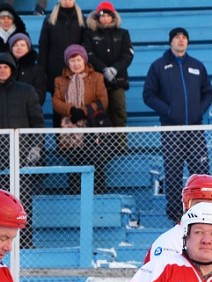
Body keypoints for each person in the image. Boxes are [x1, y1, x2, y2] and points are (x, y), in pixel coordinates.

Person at [143, 25, 212, 224]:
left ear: (188, 41)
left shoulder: (197, 66)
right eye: (177, 37)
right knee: (173, 170)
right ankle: (175, 214)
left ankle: (202, 209)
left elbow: (208, 92)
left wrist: (198, 110)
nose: (181, 40)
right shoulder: (158, 66)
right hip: (171, 129)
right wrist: (168, 111)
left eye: (184, 37)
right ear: (170, 41)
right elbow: (148, 95)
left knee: (200, 170)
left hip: (194, 128)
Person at [0, 52, 44, 248]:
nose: (2, 70)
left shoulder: (27, 91)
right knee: (0, 205)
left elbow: (37, 122)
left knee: (23, 203)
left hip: (23, 159)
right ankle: (4, 245)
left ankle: (25, 244)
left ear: (12, 69)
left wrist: (36, 146)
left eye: (6, 67)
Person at [52, 43, 109, 194]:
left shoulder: (96, 77)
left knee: (95, 161)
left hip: (91, 126)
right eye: (72, 61)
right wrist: (71, 110)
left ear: (84, 60)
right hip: (70, 128)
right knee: (74, 161)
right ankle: (74, 194)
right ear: (67, 62)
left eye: (78, 60)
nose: (76, 64)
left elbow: (103, 100)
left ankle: (97, 194)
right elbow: (56, 102)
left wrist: (83, 111)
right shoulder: (59, 80)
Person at [83, 1, 133, 131]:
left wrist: (115, 69)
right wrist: (104, 69)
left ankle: (120, 146)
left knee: (119, 111)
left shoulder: (123, 33)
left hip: (119, 80)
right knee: (99, 112)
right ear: (97, 17)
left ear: (113, 17)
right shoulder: (89, 34)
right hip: (97, 81)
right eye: (102, 15)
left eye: (108, 15)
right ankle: (103, 148)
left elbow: (128, 54)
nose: (105, 19)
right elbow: (89, 54)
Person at [38, 0, 85, 125]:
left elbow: (86, 48)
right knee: (58, 111)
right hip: (56, 74)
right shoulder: (49, 20)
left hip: (78, 73)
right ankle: (60, 144)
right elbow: (43, 48)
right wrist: (42, 72)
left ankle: (81, 144)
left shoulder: (83, 20)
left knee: (79, 109)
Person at [8, 33, 47, 106]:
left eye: (22, 45)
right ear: (11, 48)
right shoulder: (5, 68)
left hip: (29, 111)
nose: (19, 48)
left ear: (28, 48)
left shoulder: (37, 70)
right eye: (15, 45)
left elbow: (40, 95)